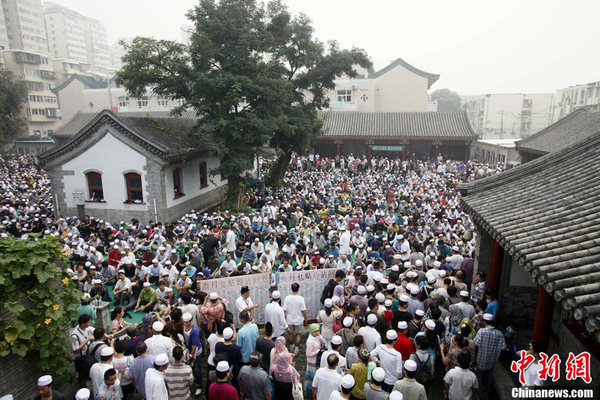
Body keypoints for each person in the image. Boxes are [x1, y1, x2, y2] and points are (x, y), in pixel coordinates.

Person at [473, 313, 505, 399]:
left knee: (479, 376)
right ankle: (487, 391)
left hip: (481, 359)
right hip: (492, 360)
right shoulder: (499, 333)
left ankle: (479, 394)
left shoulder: (481, 331)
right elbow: (503, 347)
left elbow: (475, 343)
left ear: (484, 322)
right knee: (489, 376)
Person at [182, 312, 203, 396]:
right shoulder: (183, 327)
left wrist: (191, 355)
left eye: (187, 322)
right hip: (188, 350)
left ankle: (199, 386)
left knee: (197, 369)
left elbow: (194, 345)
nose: (185, 323)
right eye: (184, 322)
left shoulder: (195, 331)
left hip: (195, 352)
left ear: (191, 321)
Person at [283, 282, 307, 354]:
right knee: (298, 334)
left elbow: (284, 310)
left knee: (290, 334)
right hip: (298, 320)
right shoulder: (300, 299)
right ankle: (296, 348)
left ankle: (291, 346)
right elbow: (303, 311)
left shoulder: (287, 298)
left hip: (289, 320)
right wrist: (305, 319)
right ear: (298, 289)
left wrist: (284, 320)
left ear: (291, 289)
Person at [305, 323, 327, 392]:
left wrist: (319, 336)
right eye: (316, 331)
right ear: (312, 332)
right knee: (313, 377)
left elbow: (324, 342)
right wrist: (318, 351)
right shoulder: (310, 341)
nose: (317, 332)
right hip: (312, 361)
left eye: (318, 330)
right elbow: (308, 354)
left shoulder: (316, 336)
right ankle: (313, 390)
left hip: (316, 360)